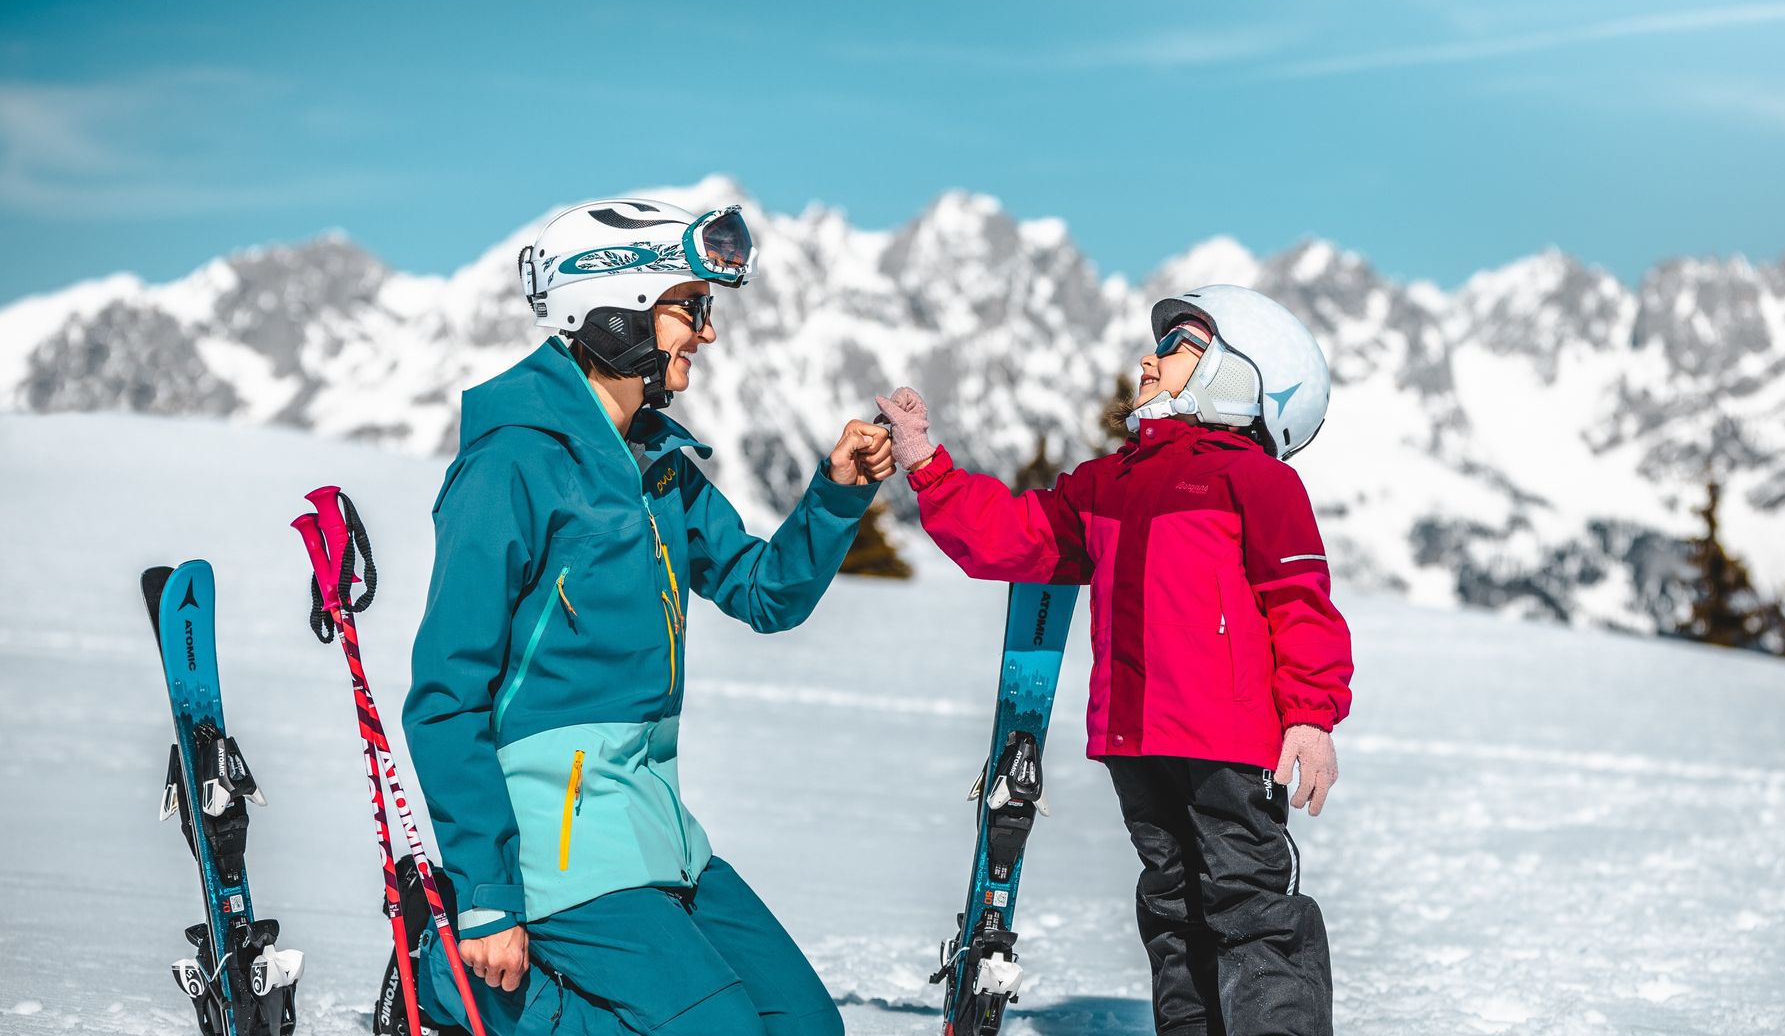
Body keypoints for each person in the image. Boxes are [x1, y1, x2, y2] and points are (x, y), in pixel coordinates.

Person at [400, 198, 892, 1036]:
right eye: (690, 308)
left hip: (655, 822)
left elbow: (764, 592)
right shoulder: (511, 465)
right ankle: (455, 992)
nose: (705, 332)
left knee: (808, 1026)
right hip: (553, 840)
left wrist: (837, 492)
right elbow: (445, 696)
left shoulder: (660, 463)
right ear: (615, 308)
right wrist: (485, 895)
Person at [875, 284, 1353, 1036]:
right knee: (1172, 907)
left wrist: (1312, 717)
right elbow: (1014, 539)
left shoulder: (1257, 482)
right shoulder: (1111, 484)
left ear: (1239, 375)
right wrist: (927, 465)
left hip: (1228, 738)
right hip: (1135, 738)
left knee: (1251, 905)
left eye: (1177, 347)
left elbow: (1302, 605)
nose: (1149, 358)